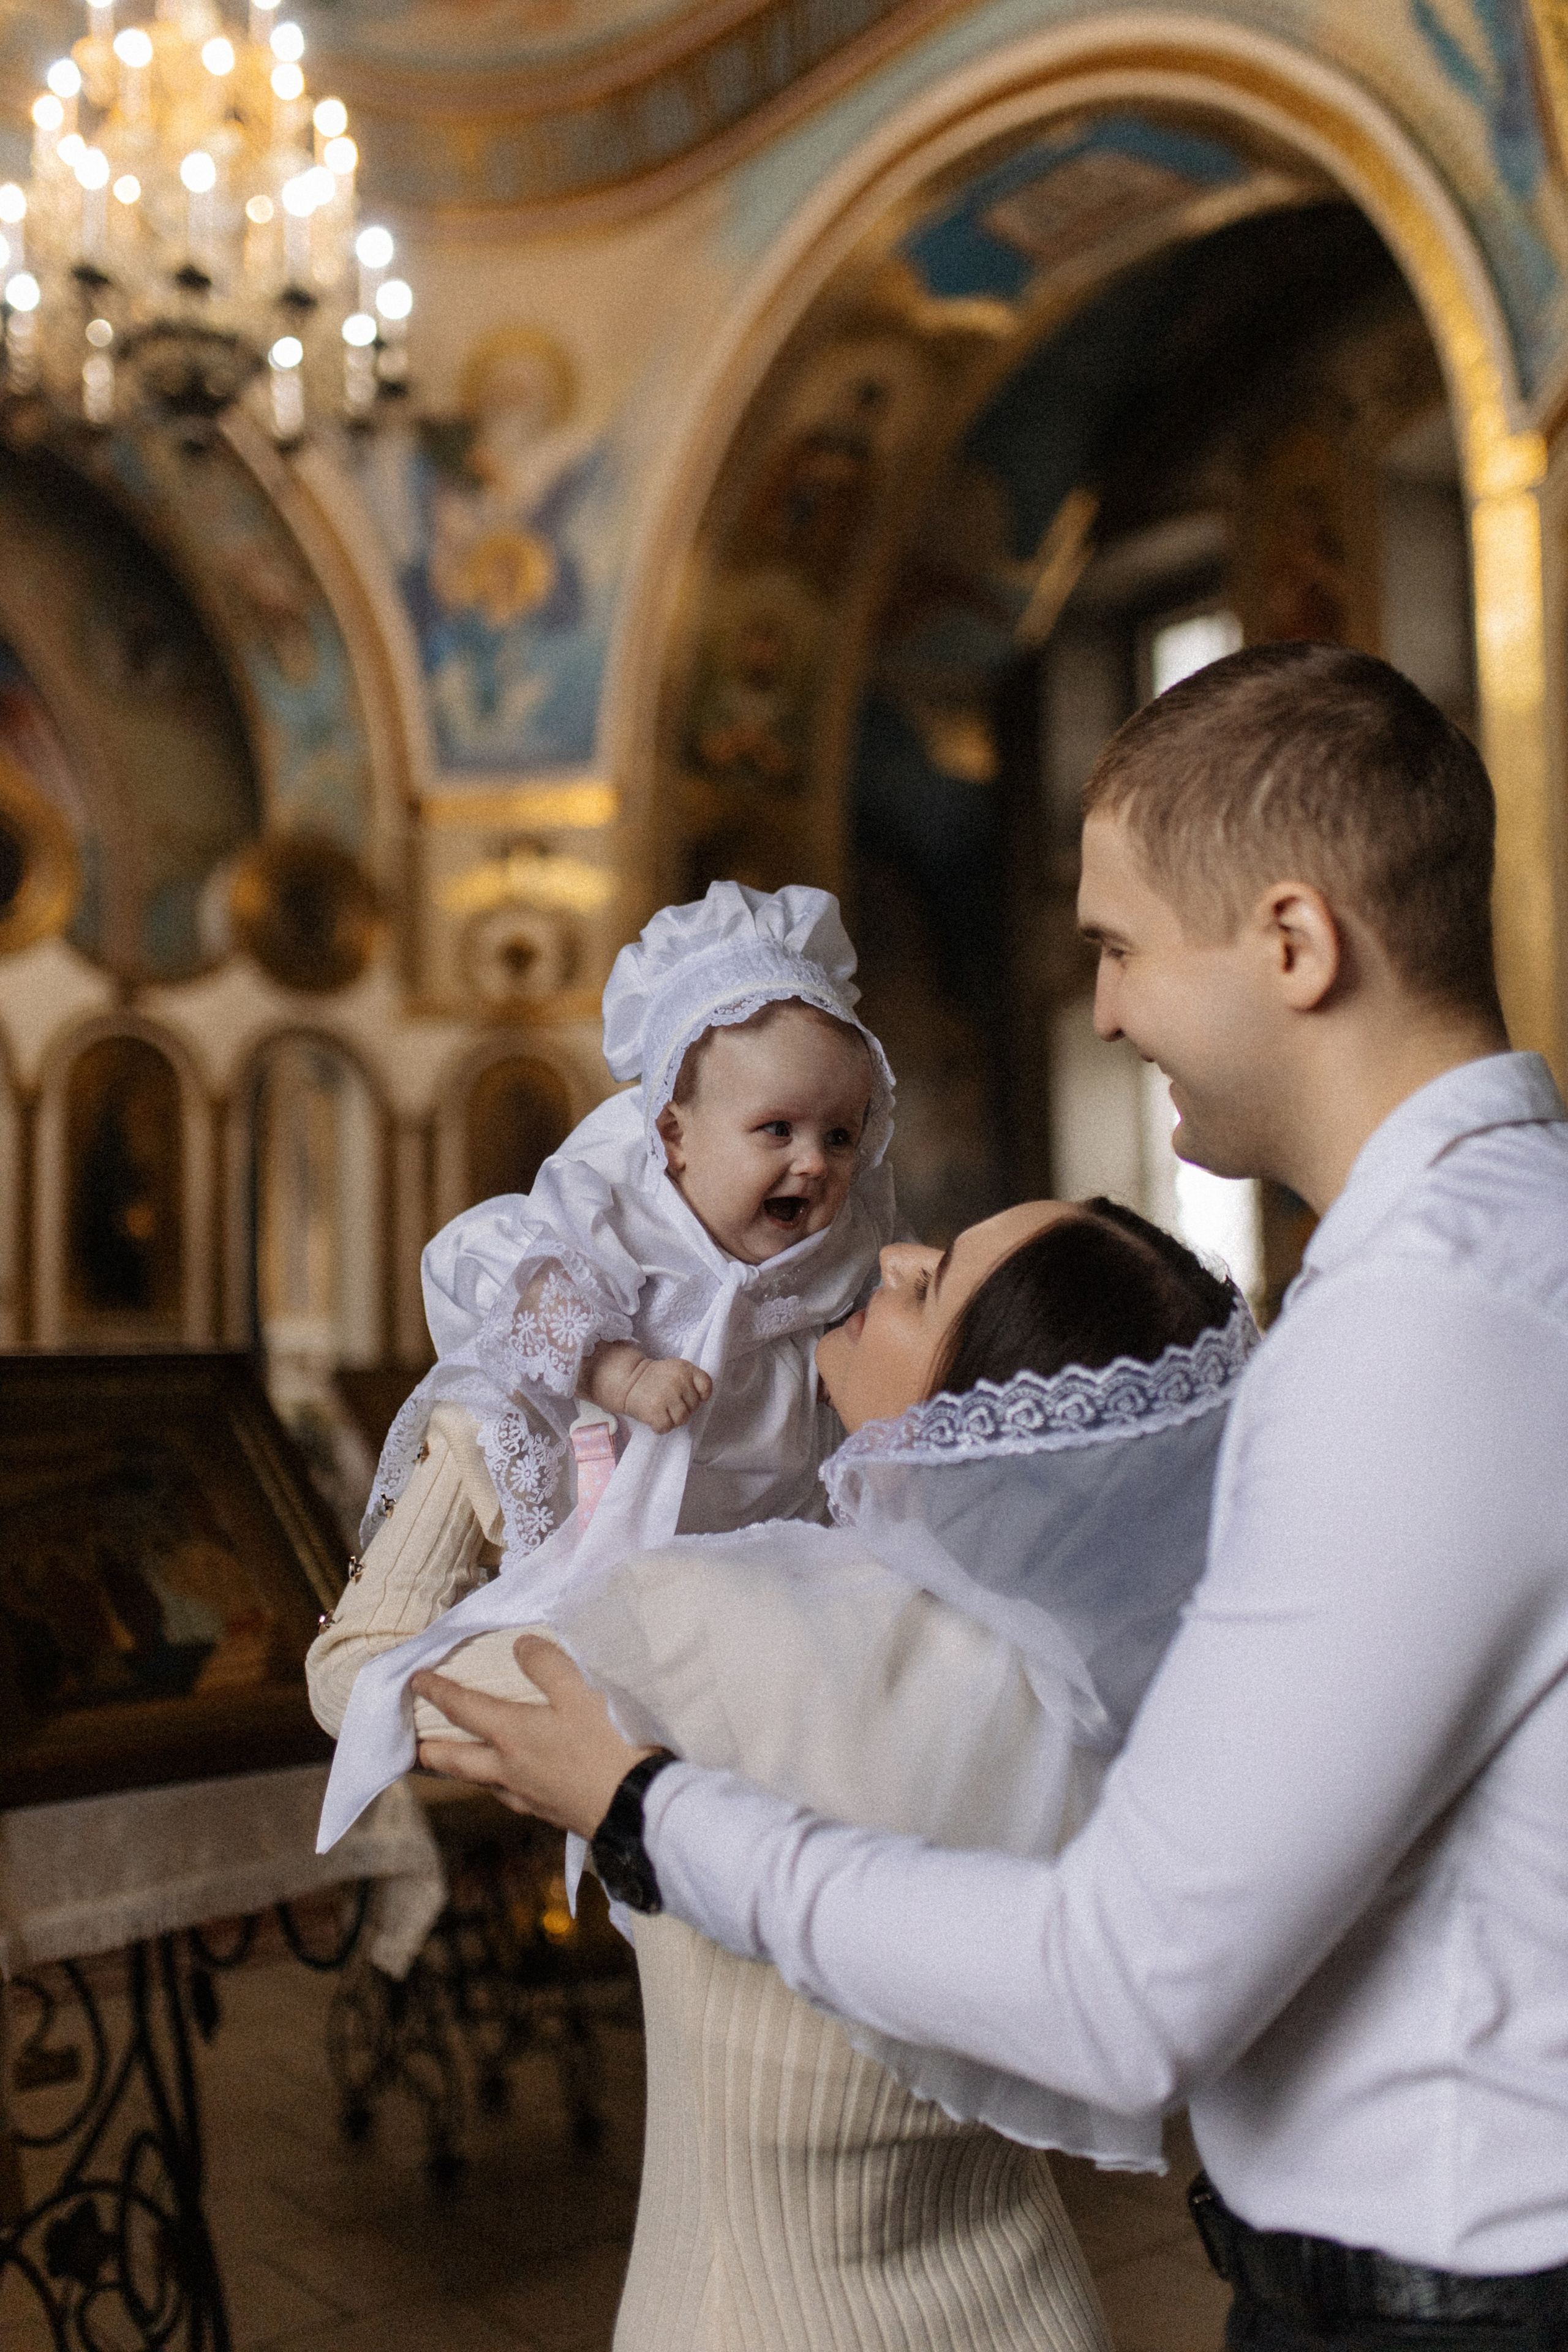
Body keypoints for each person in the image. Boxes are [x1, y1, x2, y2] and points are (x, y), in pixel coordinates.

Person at [410, 643, 1568, 2350]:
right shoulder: (1497, 1250)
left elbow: (1126, 1989)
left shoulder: (1426, 1326)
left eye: (1119, 947)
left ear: (1294, 943)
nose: (1101, 1012)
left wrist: (651, 1812)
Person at [420, 1191, 1253, 2351]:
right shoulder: (1133, 1700)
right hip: (1032, 2313)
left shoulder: (707, 1626)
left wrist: (487, 1406)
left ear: (983, 1420)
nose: (895, 1256)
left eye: (932, 1287)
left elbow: (374, 1675)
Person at [312, 878, 897, 1848]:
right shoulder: (607, 1233)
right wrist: (619, 1374)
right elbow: (520, 1294)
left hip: (738, 1616)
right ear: (673, 1136)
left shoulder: (827, 1286)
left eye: (841, 1136)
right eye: (778, 1130)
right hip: (590, 1532)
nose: (815, 1162)